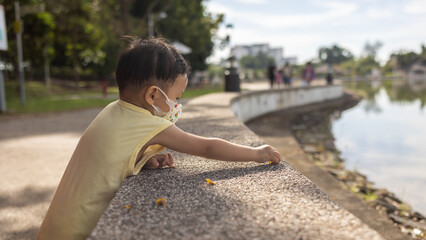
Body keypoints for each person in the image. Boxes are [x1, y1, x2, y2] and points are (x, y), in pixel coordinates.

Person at [36, 37, 282, 240]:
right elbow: (206, 147)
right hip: (81, 232)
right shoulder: (148, 123)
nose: (178, 105)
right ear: (153, 95)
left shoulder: (113, 110)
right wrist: (258, 153)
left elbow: (111, 155)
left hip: (54, 230)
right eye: (177, 97)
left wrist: (142, 157)